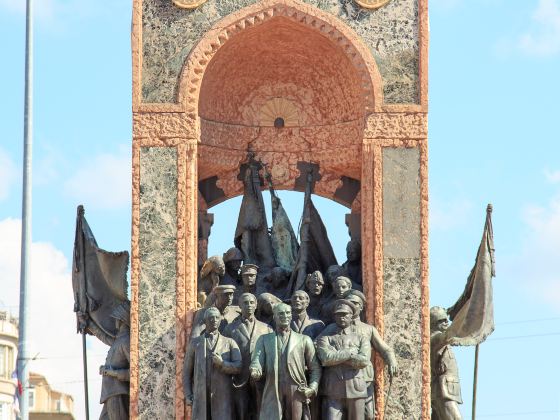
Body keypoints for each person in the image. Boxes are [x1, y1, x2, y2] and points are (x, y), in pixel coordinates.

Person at [250, 303, 322, 420]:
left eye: (288, 313)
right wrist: (255, 370)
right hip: (273, 387)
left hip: (296, 390)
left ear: (291, 315)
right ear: (274, 317)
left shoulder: (304, 340)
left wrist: (312, 388)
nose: (285, 316)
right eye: (281, 313)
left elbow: (315, 367)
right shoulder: (264, 339)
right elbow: (257, 360)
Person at [346, 290, 398, 420]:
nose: (352, 306)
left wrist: (392, 361)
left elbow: (385, 349)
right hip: (343, 377)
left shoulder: (368, 329)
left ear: (361, 307)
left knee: (368, 415)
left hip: (364, 377)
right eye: (349, 303)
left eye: (355, 303)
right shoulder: (335, 327)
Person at [316, 300, 371, 420]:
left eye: (345, 314)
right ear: (334, 316)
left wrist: (336, 355)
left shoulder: (361, 338)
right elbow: (326, 359)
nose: (342, 317)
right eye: (338, 314)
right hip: (333, 390)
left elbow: (363, 361)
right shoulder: (325, 338)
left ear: (352, 316)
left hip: (356, 389)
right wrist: (350, 353)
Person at [183, 307, 242, 420]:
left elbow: (238, 367)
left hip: (222, 394)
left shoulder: (229, 343)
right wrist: (188, 394)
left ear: (220, 320)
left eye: (216, 317)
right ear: (205, 321)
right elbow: (187, 371)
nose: (214, 320)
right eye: (210, 318)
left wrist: (222, 364)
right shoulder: (195, 343)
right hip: (201, 395)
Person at [223, 293, 273, 419]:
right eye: (245, 303)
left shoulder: (267, 328)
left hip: (260, 377)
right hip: (239, 378)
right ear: (239, 306)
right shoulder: (230, 329)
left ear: (256, 305)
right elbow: (223, 350)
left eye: (251, 302)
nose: (249, 305)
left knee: (260, 411)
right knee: (241, 412)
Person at [98, 301, 130, 420]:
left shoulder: (126, 340)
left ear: (120, 319)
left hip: (117, 393)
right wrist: (88, 322)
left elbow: (135, 372)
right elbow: (103, 336)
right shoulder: (119, 340)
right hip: (110, 393)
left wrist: (112, 373)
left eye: (116, 318)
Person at [430, 306, 463, 420]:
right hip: (443, 390)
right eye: (442, 320)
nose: (446, 322)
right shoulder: (435, 338)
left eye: (446, 319)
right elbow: (448, 335)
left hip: (448, 389)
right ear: (434, 323)